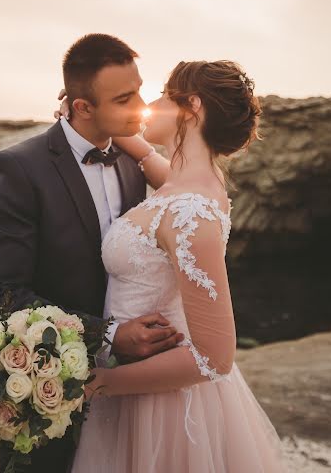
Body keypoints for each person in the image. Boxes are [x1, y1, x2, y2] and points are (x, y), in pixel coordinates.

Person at [0, 33, 184, 473]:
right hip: (49, 393)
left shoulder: (132, 162)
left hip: (130, 393)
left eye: (140, 90)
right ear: (82, 106)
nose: (141, 106)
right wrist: (106, 336)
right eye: (125, 98)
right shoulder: (15, 169)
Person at [63, 59, 286, 472]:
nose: (150, 104)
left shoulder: (191, 211)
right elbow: (160, 172)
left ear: (192, 107)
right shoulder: (197, 185)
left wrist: (99, 384)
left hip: (158, 404)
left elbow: (215, 357)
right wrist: (93, 120)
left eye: (164, 95)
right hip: (140, 382)